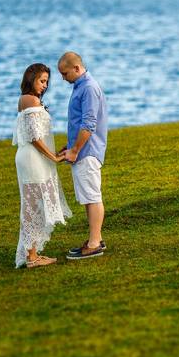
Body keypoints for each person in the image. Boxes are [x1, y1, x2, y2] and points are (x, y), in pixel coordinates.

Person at [12, 63, 72, 268]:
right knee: (32, 205)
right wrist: (53, 158)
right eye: (42, 81)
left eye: (47, 81)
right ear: (31, 79)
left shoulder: (30, 100)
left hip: (35, 157)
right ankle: (31, 257)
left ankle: (33, 253)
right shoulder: (29, 99)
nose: (45, 85)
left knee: (36, 204)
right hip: (31, 158)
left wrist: (53, 154)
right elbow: (34, 137)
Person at [57, 51, 108, 260]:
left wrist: (75, 150)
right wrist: (69, 146)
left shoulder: (88, 87)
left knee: (93, 196)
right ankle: (95, 239)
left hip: (87, 152)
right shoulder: (81, 86)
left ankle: (95, 244)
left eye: (65, 73)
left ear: (77, 68)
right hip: (82, 150)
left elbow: (88, 124)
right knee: (88, 197)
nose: (62, 78)